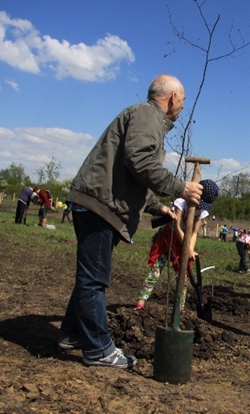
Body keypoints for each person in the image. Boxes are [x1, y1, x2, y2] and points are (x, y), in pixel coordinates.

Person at [57, 74, 203, 370]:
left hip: (99, 202)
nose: (183, 107)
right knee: (94, 279)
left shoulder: (142, 117)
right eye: (183, 100)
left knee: (90, 274)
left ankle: (72, 333)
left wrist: (158, 207)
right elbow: (140, 161)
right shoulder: (148, 114)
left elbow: (131, 175)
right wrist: (180, 188)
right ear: (173, 98)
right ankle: (97, 348)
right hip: (99, 205)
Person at [136, 179, 218, 310]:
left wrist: (190, 249)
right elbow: (177, 226)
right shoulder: (181, 203)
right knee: (156, 271)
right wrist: (187, 247)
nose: (199, 206)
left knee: (183, 277)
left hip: (185, 243)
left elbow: (194, 233)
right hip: (169, 238)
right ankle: (141, 302)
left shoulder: (202, 212)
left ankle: (179, 308)